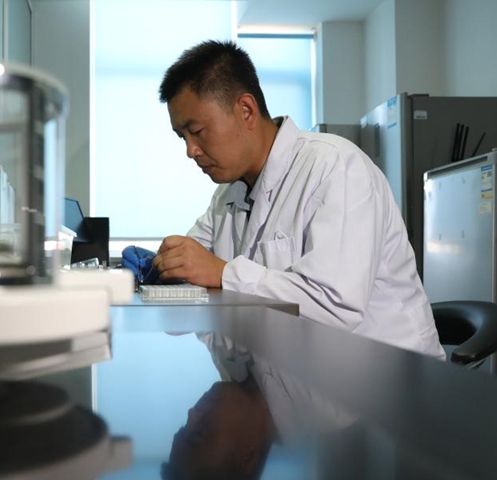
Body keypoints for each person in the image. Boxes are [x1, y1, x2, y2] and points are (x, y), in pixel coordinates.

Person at [123, 39, 445, 360]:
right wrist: (165, 265)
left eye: (198, 131)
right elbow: (194, 266)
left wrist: (222, 273)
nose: (190, 151)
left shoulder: (335, 168)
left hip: (389, 384)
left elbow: (334, 305)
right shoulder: (228, 194)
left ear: (246, 110)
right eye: (183, 137)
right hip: (299, 375)